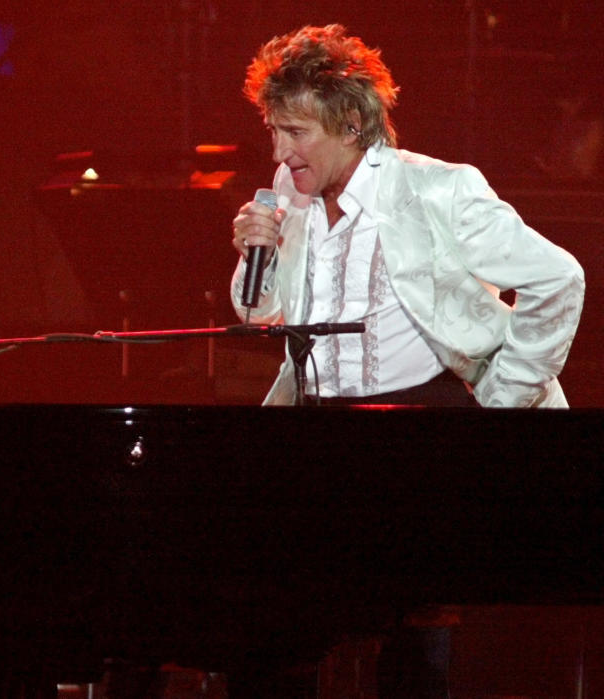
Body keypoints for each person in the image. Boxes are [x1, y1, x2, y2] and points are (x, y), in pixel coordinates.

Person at [228, 23, 585, 698]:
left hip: (420, 432)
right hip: (319, 431)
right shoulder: (291, 186)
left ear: (354, 124)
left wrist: (501, 401)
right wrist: (259, 251)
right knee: (280, 625)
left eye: (296, 131)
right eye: (274, 129)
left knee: (416, 632)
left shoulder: (437, 191)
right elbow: (261, 313)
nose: (279, 149)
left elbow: (558, 278)